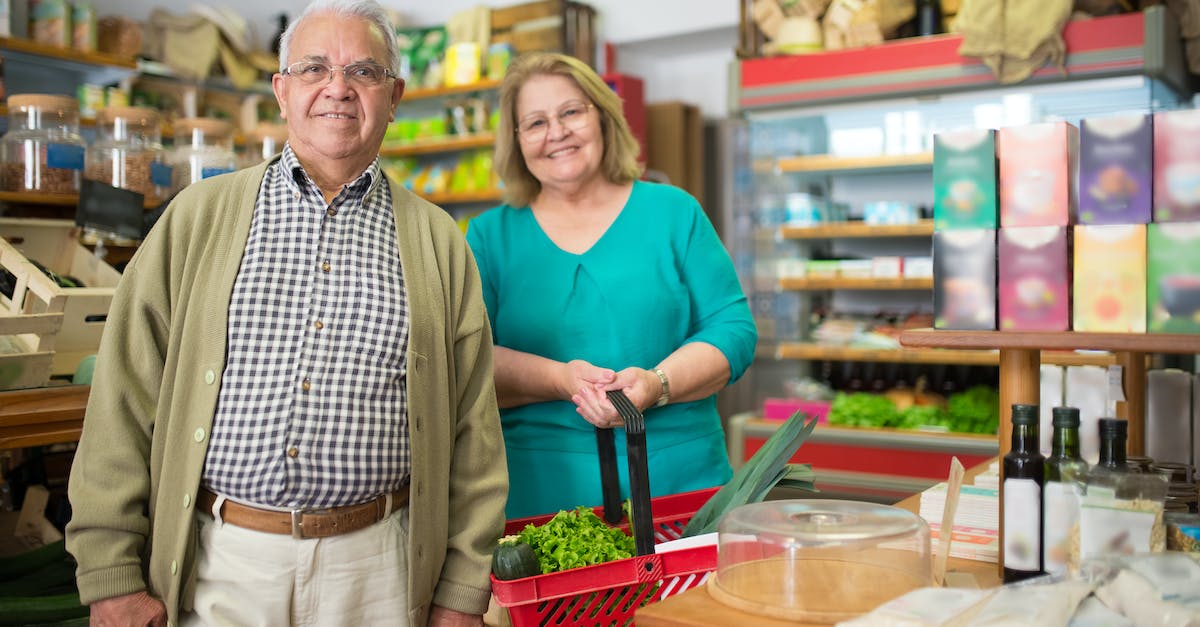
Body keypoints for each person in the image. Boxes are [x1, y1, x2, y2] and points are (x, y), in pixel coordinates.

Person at [64, 1, 508, 625]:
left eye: (364, 71)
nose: (338, 89)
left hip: (380, 570)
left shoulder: (438, 242)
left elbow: (473, 435)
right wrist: (110, 573)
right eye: (313, 69)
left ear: (395, 94)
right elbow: (122, 398)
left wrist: (462, 592)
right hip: (221, 561)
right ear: (281, 90)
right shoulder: (197, 218)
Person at [465, 51, 757, 519]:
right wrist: (561, 380)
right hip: (544, 496)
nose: (556, 132)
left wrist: (656, 385)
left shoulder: (673, 213)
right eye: (535, 122)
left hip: (681, 485)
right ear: (516, 141)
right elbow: (469, 357)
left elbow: (733, 329)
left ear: (602, 117)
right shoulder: (488, 237)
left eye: (571, 112)